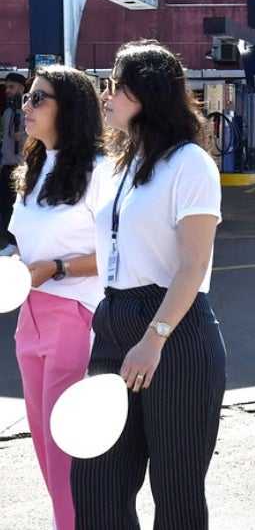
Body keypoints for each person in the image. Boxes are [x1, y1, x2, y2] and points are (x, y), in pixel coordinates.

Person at [70, 40, 226, 529]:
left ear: (147, 94)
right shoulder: (120, 166)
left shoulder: (190, 164)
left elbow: (193, 265)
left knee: (176, 490)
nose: (106, 96)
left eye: (116, 86)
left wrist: (153, 338)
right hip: (114, 321)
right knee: (96, 482)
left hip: (173, 332)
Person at [8, 65, 108, 530]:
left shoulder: (99, 172)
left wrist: (60, 268)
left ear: (68, 109)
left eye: (38, 99)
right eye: (27, 98)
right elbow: (24, 243)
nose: (25, 106)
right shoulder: (33, 167)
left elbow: (117, 251)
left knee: (66, 446)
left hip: (75, 314)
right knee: (45, 446)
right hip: (30, 316)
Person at [1, 72, 27, 255]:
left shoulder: (29, 109)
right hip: (6, 166)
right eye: (6, 87)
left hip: (22, 167)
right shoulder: (7, 110)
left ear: (21, 88)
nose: (8, 91)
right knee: (5, 206)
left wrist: (24, 138)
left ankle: (19, 244)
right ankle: (10, 242)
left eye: (12, 87)